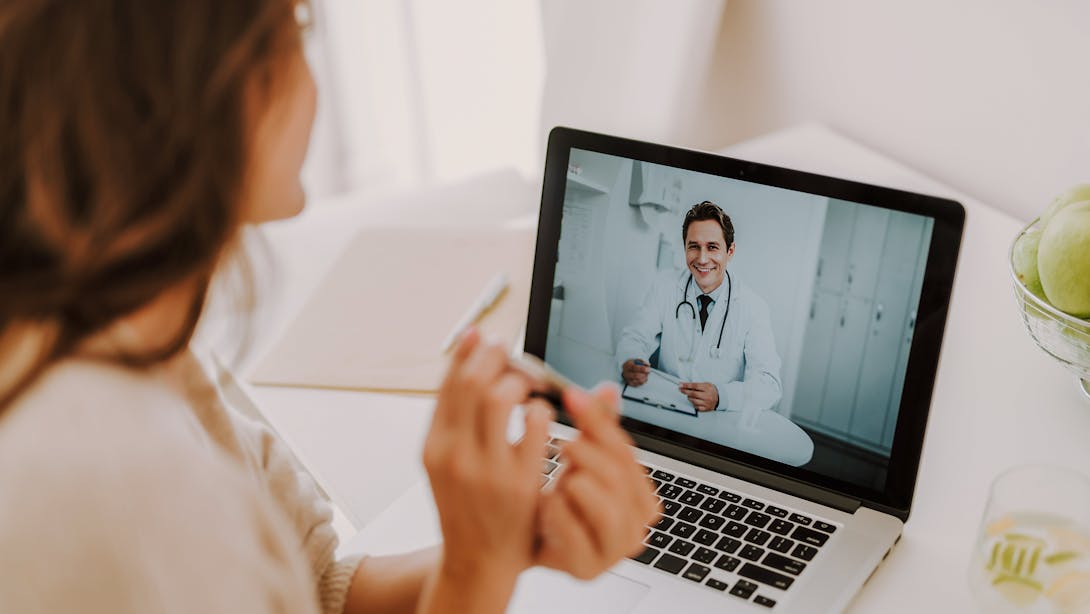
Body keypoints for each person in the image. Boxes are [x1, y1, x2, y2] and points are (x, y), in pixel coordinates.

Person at [0, 2, 658, 613]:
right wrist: (476, 571)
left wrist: (508, 541)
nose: (313, 84)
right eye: (296, 34)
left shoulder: (133, 347)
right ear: (207, 86)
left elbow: (321, 584)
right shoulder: (123, 484)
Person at [616, 201, 782, 414]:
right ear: (685, 247)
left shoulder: (753, 307)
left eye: (712, 247)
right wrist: (631, 360)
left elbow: (769, 384)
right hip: (665, 408)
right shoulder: (665, 286)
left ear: (730, 251)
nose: (702, 259)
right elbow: (634, 337)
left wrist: (722, 396)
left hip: (718, 422)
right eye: (694, 246)